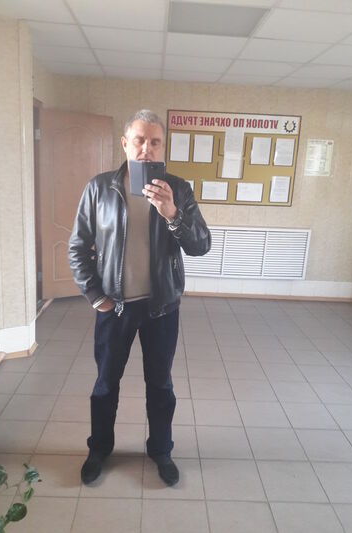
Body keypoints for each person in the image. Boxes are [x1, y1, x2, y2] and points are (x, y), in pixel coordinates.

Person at [68, 109, 211, 486]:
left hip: (162, 308)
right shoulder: (99, 188)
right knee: (105, 384)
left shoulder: (178, 189)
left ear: (163, 147)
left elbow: (201, 245)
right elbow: (77, 247)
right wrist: (95, 296)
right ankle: (99, 448)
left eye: (155, 142)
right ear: (125, 144)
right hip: (113, 307)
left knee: (160, 384)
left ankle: (161, 450)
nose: (147, 148)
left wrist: (172, 213)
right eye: (140, 140)